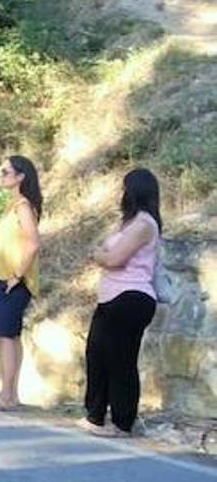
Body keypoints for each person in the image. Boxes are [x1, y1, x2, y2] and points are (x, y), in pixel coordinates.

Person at [79, 169, 163, 438]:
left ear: (135, 191)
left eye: (125, 188)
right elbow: (108, 253)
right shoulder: (128, 223)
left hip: (131, 298)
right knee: (97, 354)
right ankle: (95, 415)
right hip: (111, 297)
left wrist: (99, 254)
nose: (121, 193)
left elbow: (114, 259)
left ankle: (122, 422)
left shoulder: (144, 224)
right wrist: (102, 254)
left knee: (121, 360)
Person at [0, 155, 42, 411]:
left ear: (20, 177)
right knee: (10, 338)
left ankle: (6, 396)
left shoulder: (23, 207)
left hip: (12, 280)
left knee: (7, 338)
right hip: (2, 277)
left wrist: (17, 275)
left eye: (6, 172)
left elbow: (33, 243)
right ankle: (10, 394)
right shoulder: (13, 205)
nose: (1, 175)